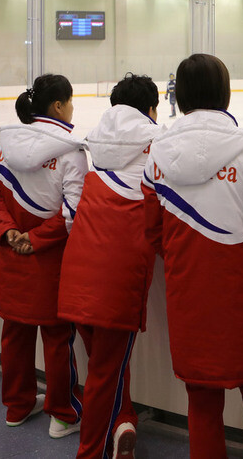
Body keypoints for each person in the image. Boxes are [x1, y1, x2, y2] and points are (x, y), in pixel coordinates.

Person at [141, 53, 243, 459]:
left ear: (180, 95)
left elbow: (152, 229)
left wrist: (182, 263)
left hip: (188, 291)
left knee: (201, 401)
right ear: (224, 92)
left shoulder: (156, 153)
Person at [58, 73, 164, 459]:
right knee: (107, 371)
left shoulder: (95, 146)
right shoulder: (160, 146)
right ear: (151, 109)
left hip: (77, 269)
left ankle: (124, 419)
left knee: (106, 364)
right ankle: (92, 452)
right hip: (118, 277)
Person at [0, 74, 87, 438]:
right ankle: (63, 413)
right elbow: (73, 214)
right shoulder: (71, 152)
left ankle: (17, 405)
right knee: (57, 339)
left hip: (12, 258)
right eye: (70, 101)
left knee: (14, 335)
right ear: (58, 105)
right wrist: (38, 238)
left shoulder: (4, 147)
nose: (72, 108)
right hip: (51, 263)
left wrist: (8, 232)